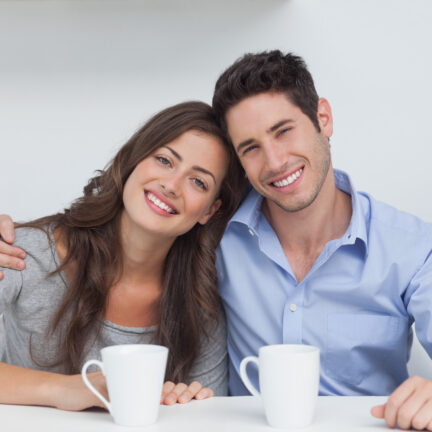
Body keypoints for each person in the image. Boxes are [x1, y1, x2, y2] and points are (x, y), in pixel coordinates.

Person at [2, 52, 432, 431]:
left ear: (323, 117)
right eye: (250, 148)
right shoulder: (214, 239)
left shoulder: (410, 246)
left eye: (283, 131)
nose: (275, 161)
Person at [0, 101, 245, 411]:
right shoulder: (24, 252)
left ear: (209, 210)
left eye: (198, 182)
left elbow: (208, 418)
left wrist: (189, 405)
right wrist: (64, 390)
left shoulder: (201, 309)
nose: (171, 185)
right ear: (133, 159)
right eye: (164, 160)